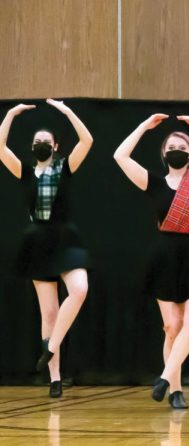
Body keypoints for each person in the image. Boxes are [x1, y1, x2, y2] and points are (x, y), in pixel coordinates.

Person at [113, 113, 189, 409]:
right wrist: (143, 125)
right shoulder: (153, 182)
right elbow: (120, 155)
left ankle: (165, 379)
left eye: (182, 145)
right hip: (165, 260)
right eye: (171, 145)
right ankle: (175, 388)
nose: (176, 149)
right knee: (172, 327)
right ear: (164, 153)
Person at [1, 99, 93, 398]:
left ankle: (49, 347)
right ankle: (54, 378)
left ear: (54, 147)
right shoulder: (24, 172)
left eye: (46, 141)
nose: (41, 144)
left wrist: (66, 111)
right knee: (49, 313)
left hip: (65, 236)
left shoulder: (66, 167)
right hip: (37, 241)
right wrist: (12, 114)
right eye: (37, 141)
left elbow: (87, 139)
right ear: (32, 147)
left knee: (79, 289)